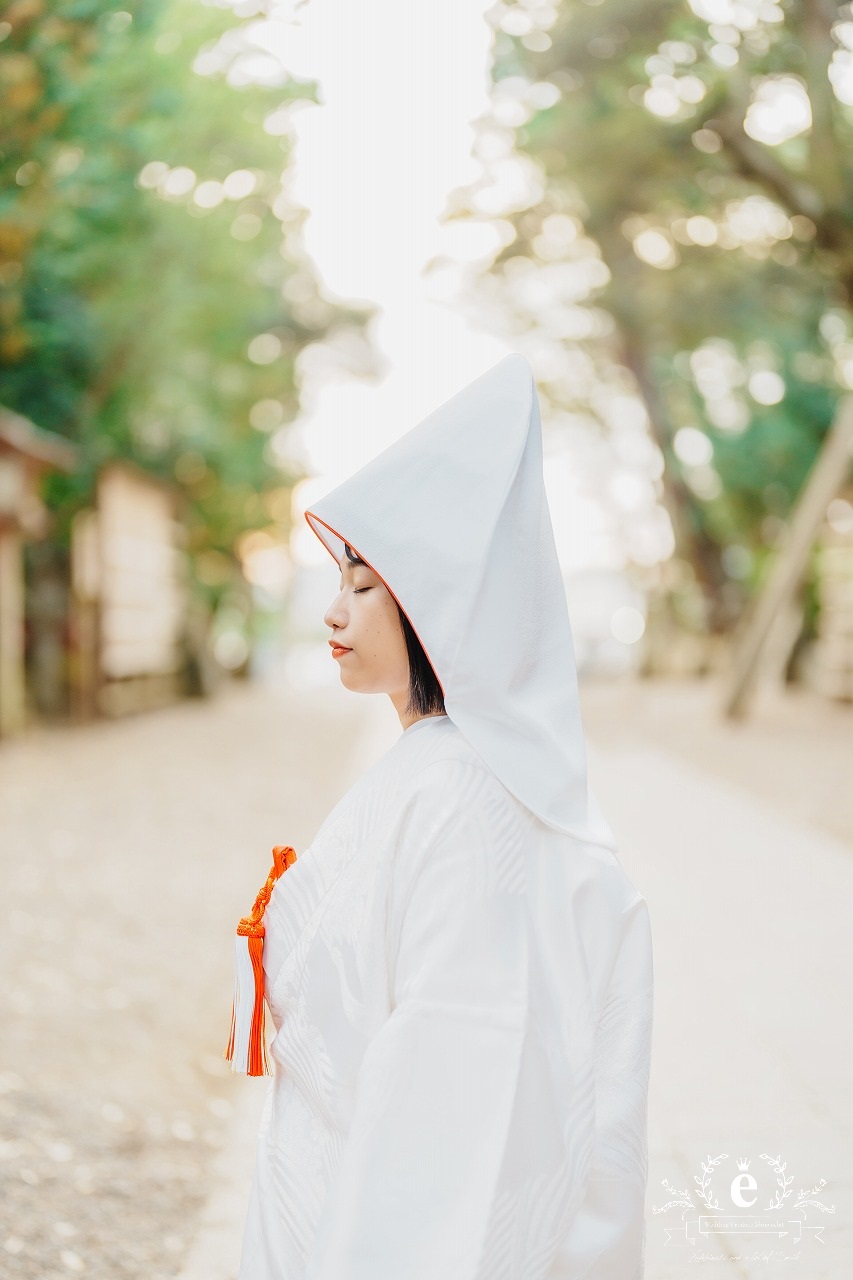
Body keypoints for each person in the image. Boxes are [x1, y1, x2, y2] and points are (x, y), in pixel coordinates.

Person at [234, 354, 654, 1280]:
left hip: (372, 1207)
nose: (335, 613)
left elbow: (450, 1064)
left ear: (436, 606)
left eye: (365, 586)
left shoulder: (460, 793)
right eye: (338, 583)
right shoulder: (436, 768)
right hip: (324, 1171)